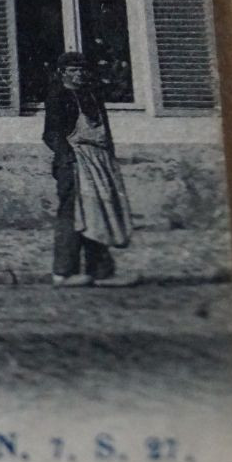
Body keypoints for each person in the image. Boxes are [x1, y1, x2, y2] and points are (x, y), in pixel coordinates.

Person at [42, 51, 136, 287]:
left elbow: (104, 132)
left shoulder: (92, 96)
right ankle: (63, 272)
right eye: (73, 70)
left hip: (99, 160)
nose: (79, 74)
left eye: (82, 69)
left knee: (100, 212)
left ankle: (101, 271)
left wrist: (110, 159)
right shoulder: (58, 96)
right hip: (75, 160)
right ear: (62, 72)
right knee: (73, 215)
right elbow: (51, 134)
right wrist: (67, 159)